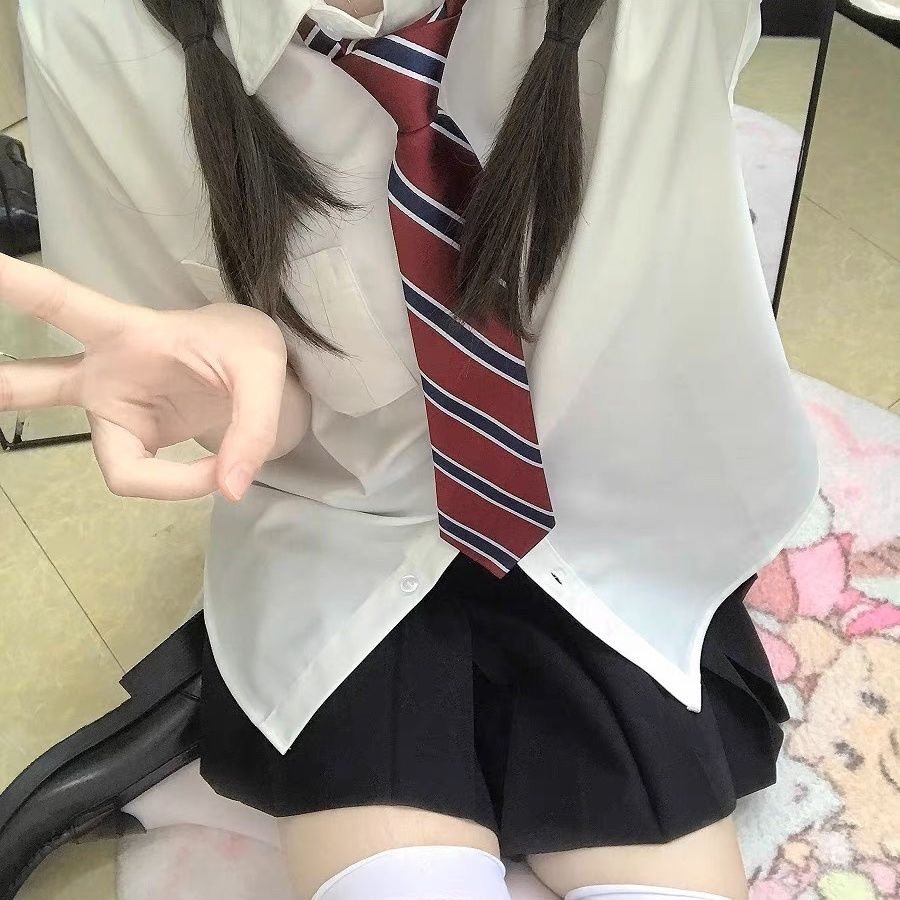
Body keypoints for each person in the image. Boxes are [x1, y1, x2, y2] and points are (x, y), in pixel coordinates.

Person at [1, 0, 820, 898]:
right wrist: (240, 396)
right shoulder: (95, 24)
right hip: (351, 537)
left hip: (617, 531)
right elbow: (230, 396)